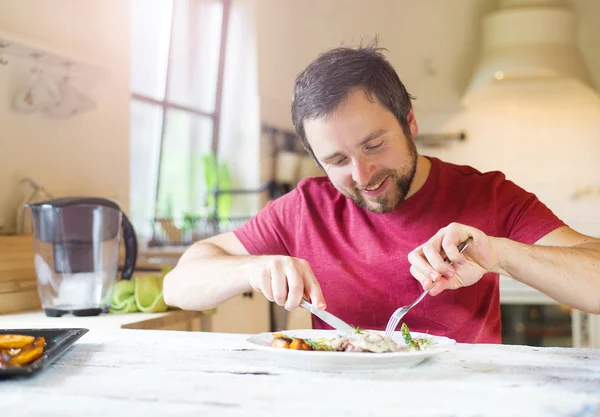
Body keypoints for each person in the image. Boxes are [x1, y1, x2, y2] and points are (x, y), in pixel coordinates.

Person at [163, 42, 600, 343]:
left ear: (410, 123)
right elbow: (179, 285)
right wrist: (251, 269)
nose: (363, 173)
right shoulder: (305, 208)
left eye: (374, 145)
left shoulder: (486, 195)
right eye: (337, 161)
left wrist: (500, 255)